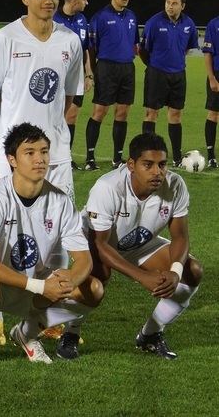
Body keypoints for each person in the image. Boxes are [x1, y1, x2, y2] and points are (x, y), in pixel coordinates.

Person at [0, 123, 103, 369]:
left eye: (44, 151)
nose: (40, 159)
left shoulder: (60, 201)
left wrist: (70, 280)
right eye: (30, 152)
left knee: (93, 289)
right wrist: (41, 286)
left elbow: (84, 260)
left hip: (35, 285)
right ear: (12, 160)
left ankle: (27, 334)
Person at [83, 132, 202, 359]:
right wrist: (141, 276)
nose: (157, 172)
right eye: (148, 164)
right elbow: (100, 244)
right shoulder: (107, 187)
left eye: (162, 164)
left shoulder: (174, 185)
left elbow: (180, 236)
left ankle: (151, 334)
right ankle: (71, 333)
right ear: (131, 165)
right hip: (98, 240)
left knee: (192, 271)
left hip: (139, 244)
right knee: (98, 278)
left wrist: (176, 272)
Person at [0, 0, 83, 199]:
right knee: (9, 225)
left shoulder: (70, 41)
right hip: (12, 153)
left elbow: (68, 93)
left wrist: (52, 121)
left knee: (59, 227)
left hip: (55, 152)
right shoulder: (4, 39)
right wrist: (4, 133)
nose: (49, 1)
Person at [83, 0, 139, 170]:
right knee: (100, 111)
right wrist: (92, 71)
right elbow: (91, 48)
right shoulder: (100, 17)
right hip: (106, 67)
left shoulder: (132, 16)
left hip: (127, 68)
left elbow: (135, 44)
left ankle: (117, 158)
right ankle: (90, 158)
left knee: (122, 112)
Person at [139, 0, 199, 166]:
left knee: (176, 114)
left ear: (182, 5)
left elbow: (187, 48)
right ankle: (148, 154)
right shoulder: (154, 22)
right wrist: (155, 65)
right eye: (167, 2)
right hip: (156, 73)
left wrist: (175, 61)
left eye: (174, 3)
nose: (170, 6)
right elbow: (143, 50)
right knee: (151, 113)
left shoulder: (189, 24)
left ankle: (177, 157)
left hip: (179, 74)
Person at [53, 0, 94, 169]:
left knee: (72, 115)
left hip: (76, 77)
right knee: (54, 116)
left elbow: (85, 50)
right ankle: (51, 154)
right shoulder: (53, 19)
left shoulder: (82, 20)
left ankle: (65, 157)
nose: (86, 2)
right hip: (57, 76)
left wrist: (88, 74)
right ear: (74, 0)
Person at [203, 14, 219, 168]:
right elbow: (207, 53)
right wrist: (212, 78)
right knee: (214, 113)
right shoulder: (213, 24)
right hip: (218, 74)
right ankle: (211, 156)